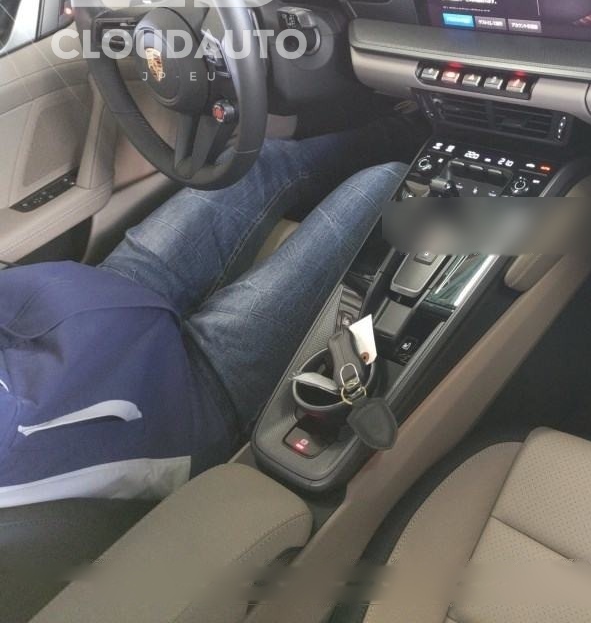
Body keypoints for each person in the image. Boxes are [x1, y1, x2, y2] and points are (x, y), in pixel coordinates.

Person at [0, 116, 423, 507]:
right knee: (382, 185)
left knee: (259, 161)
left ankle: (411, 122)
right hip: (181, 397)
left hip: (91, 302)